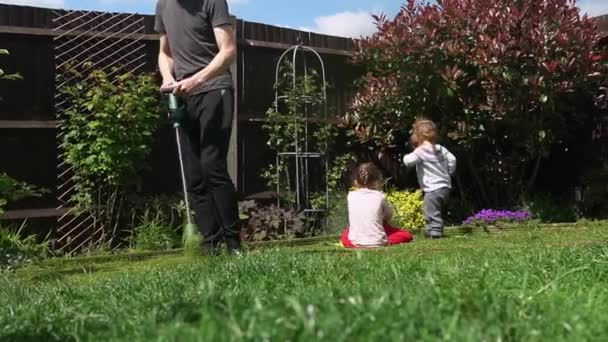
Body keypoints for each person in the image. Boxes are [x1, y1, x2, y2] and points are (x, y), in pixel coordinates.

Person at [155, 0, 240, 255]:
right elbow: (165, 53)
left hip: (215, 88)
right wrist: (168, 77)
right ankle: (210, 245)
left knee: (212, 166)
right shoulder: (163, 5)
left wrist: (196, 79)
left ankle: (233, 243)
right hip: (183, 94)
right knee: (194, 175)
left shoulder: (212, 2)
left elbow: (228, 50)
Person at [402, 118, 456, 239]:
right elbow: (452, 160)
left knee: (431, 211)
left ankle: (436, 232)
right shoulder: (441, 149)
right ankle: (430, 230)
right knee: (434, 209)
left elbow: (408, 161)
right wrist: (449, 173)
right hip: (445, 186)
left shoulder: (421, 151)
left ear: (417, 137)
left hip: (432, 188)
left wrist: (407, 155)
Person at [340, 163, 414, 249]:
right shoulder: (379, 196)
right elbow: (388, 216)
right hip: (377, 241)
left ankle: (356, 241)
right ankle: (379, 240)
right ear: (377, 180)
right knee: (405, 234)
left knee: (346, 233)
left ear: (355, 180)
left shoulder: (351, 196)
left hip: (355, 242)